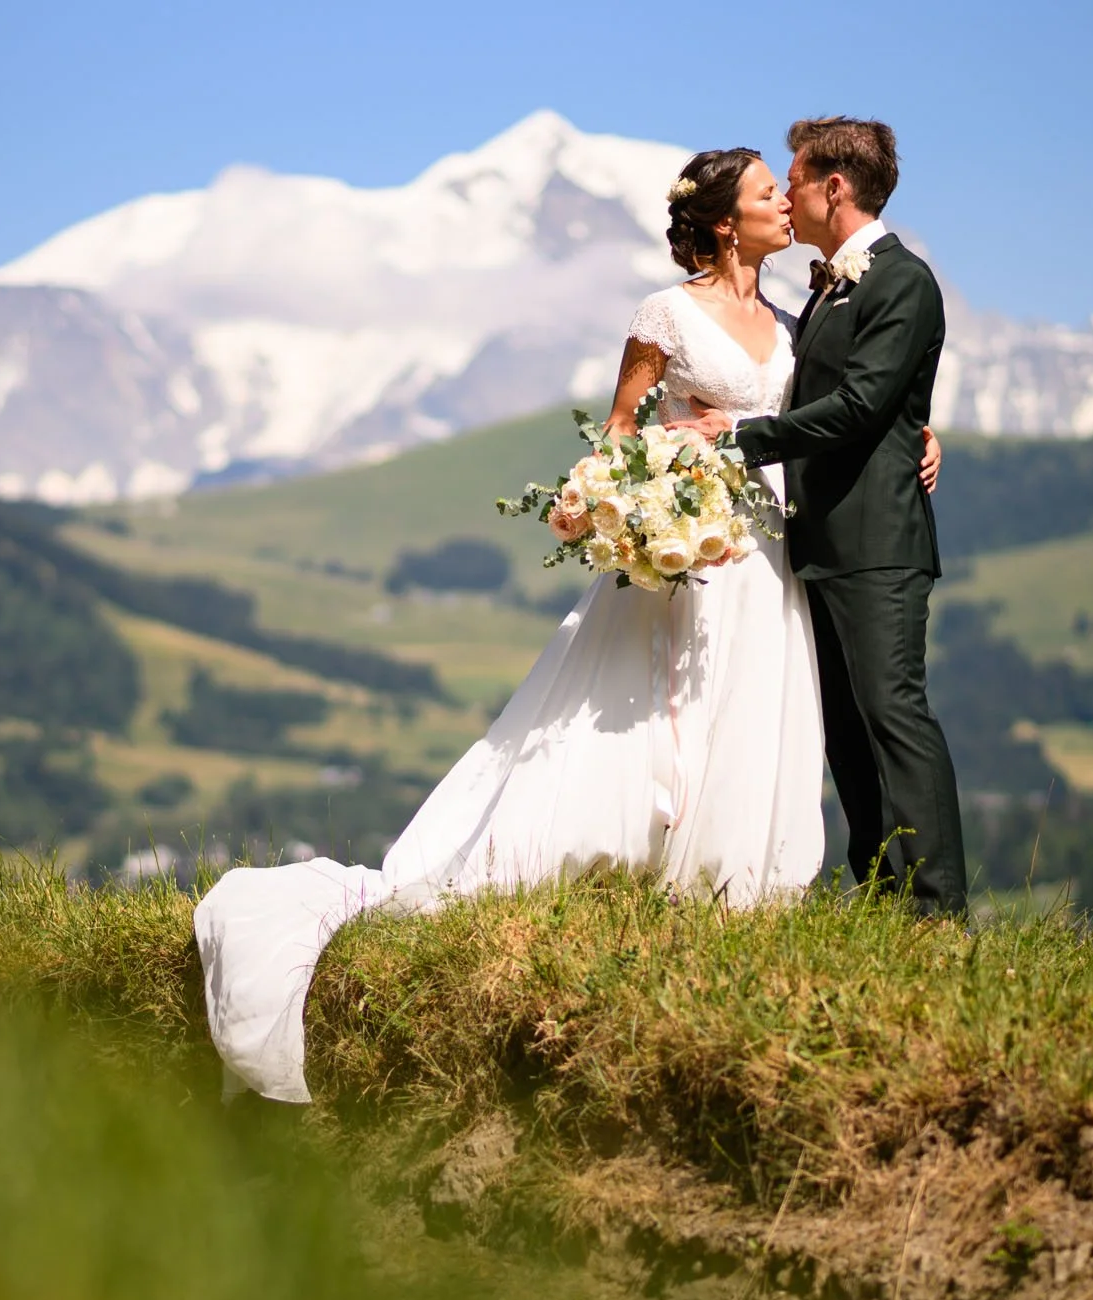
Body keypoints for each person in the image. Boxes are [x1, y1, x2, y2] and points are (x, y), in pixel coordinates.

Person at [193, 143, 946, 1103]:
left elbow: (851, 401)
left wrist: (924, 435)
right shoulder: (663, 316)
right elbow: (622, 433)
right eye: (767, 193)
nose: (784, 205)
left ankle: (730, 891)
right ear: (727, 220)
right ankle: (626, 865)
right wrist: (608, 501)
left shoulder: (799, 317)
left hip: (764, 555)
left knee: (755, 711)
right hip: (683, 559)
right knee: (651, 719)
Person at [679, 117, 968, 916]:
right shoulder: (832, 284)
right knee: (847, 734)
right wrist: (914, 420)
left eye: (795, 180)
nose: (787, 194)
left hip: (878, 545)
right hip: (823, 544)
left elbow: (862, 403)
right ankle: (881, 900)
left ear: (833, 187)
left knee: (893, 715)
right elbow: (847, 392)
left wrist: (741, 436)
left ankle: (940, 913)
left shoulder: (900, 279)